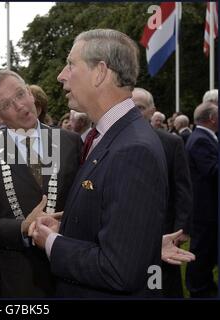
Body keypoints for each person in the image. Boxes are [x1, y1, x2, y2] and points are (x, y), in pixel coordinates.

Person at [30, 29, 171, 298]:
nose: (61, 75)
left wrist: (51, 242)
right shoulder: (110, 136)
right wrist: (66, 228)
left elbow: (119, 269)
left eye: (71, 64)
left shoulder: (133, 149)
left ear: (100, 72)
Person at [0, 70, 82, 297]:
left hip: (71, 273)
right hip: (17, 280)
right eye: (7, 104)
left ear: (30, 93)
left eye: (20, 94)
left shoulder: (70, 142)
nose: (19, 105)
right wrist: (22, 228)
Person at [132, 87, 193, 298]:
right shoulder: (111, 140)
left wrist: (182, 228)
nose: (134, 111)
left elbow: (183, 189)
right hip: (123, 234)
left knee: (159, 286)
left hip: (162, 233)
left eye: (139, 107)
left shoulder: (171, 143)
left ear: (152, 111)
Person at [185, 101, 218, 298]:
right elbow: (212, 171)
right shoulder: (200, 139)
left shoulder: (203, 137)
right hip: (204, 208)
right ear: (212, 118)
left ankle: (203, 284)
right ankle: (198, 287)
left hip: (207, 207)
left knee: (207, 248)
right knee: (202, 250)